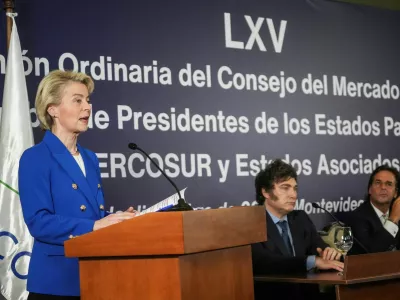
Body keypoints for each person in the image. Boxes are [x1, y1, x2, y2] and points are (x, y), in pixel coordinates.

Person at [19, 70, 136, 299]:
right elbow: (39, 222)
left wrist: (118, 220)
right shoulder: (35, 158)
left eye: (88, 100)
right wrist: (96, 226)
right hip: (56, 283)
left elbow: (92, 214)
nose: (87, 107)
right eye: (77, 100)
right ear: (52, 110)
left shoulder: (90, 158)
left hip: (94, 276)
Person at [252, 159, 343, 299]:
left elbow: (319, 248)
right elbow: (265, 263)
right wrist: (312, 261)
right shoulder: (252, 224)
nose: (293, 195)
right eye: (285, 187)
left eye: (295, 188)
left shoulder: (300, 218)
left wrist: (328, 252)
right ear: (265, 192)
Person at [348, 165, 400, 254]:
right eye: (378, 183)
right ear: (370, 190)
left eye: (389, 184)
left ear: (395, 193)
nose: (383, 187)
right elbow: (371, 253)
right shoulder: (357, 218)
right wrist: (393, 220)